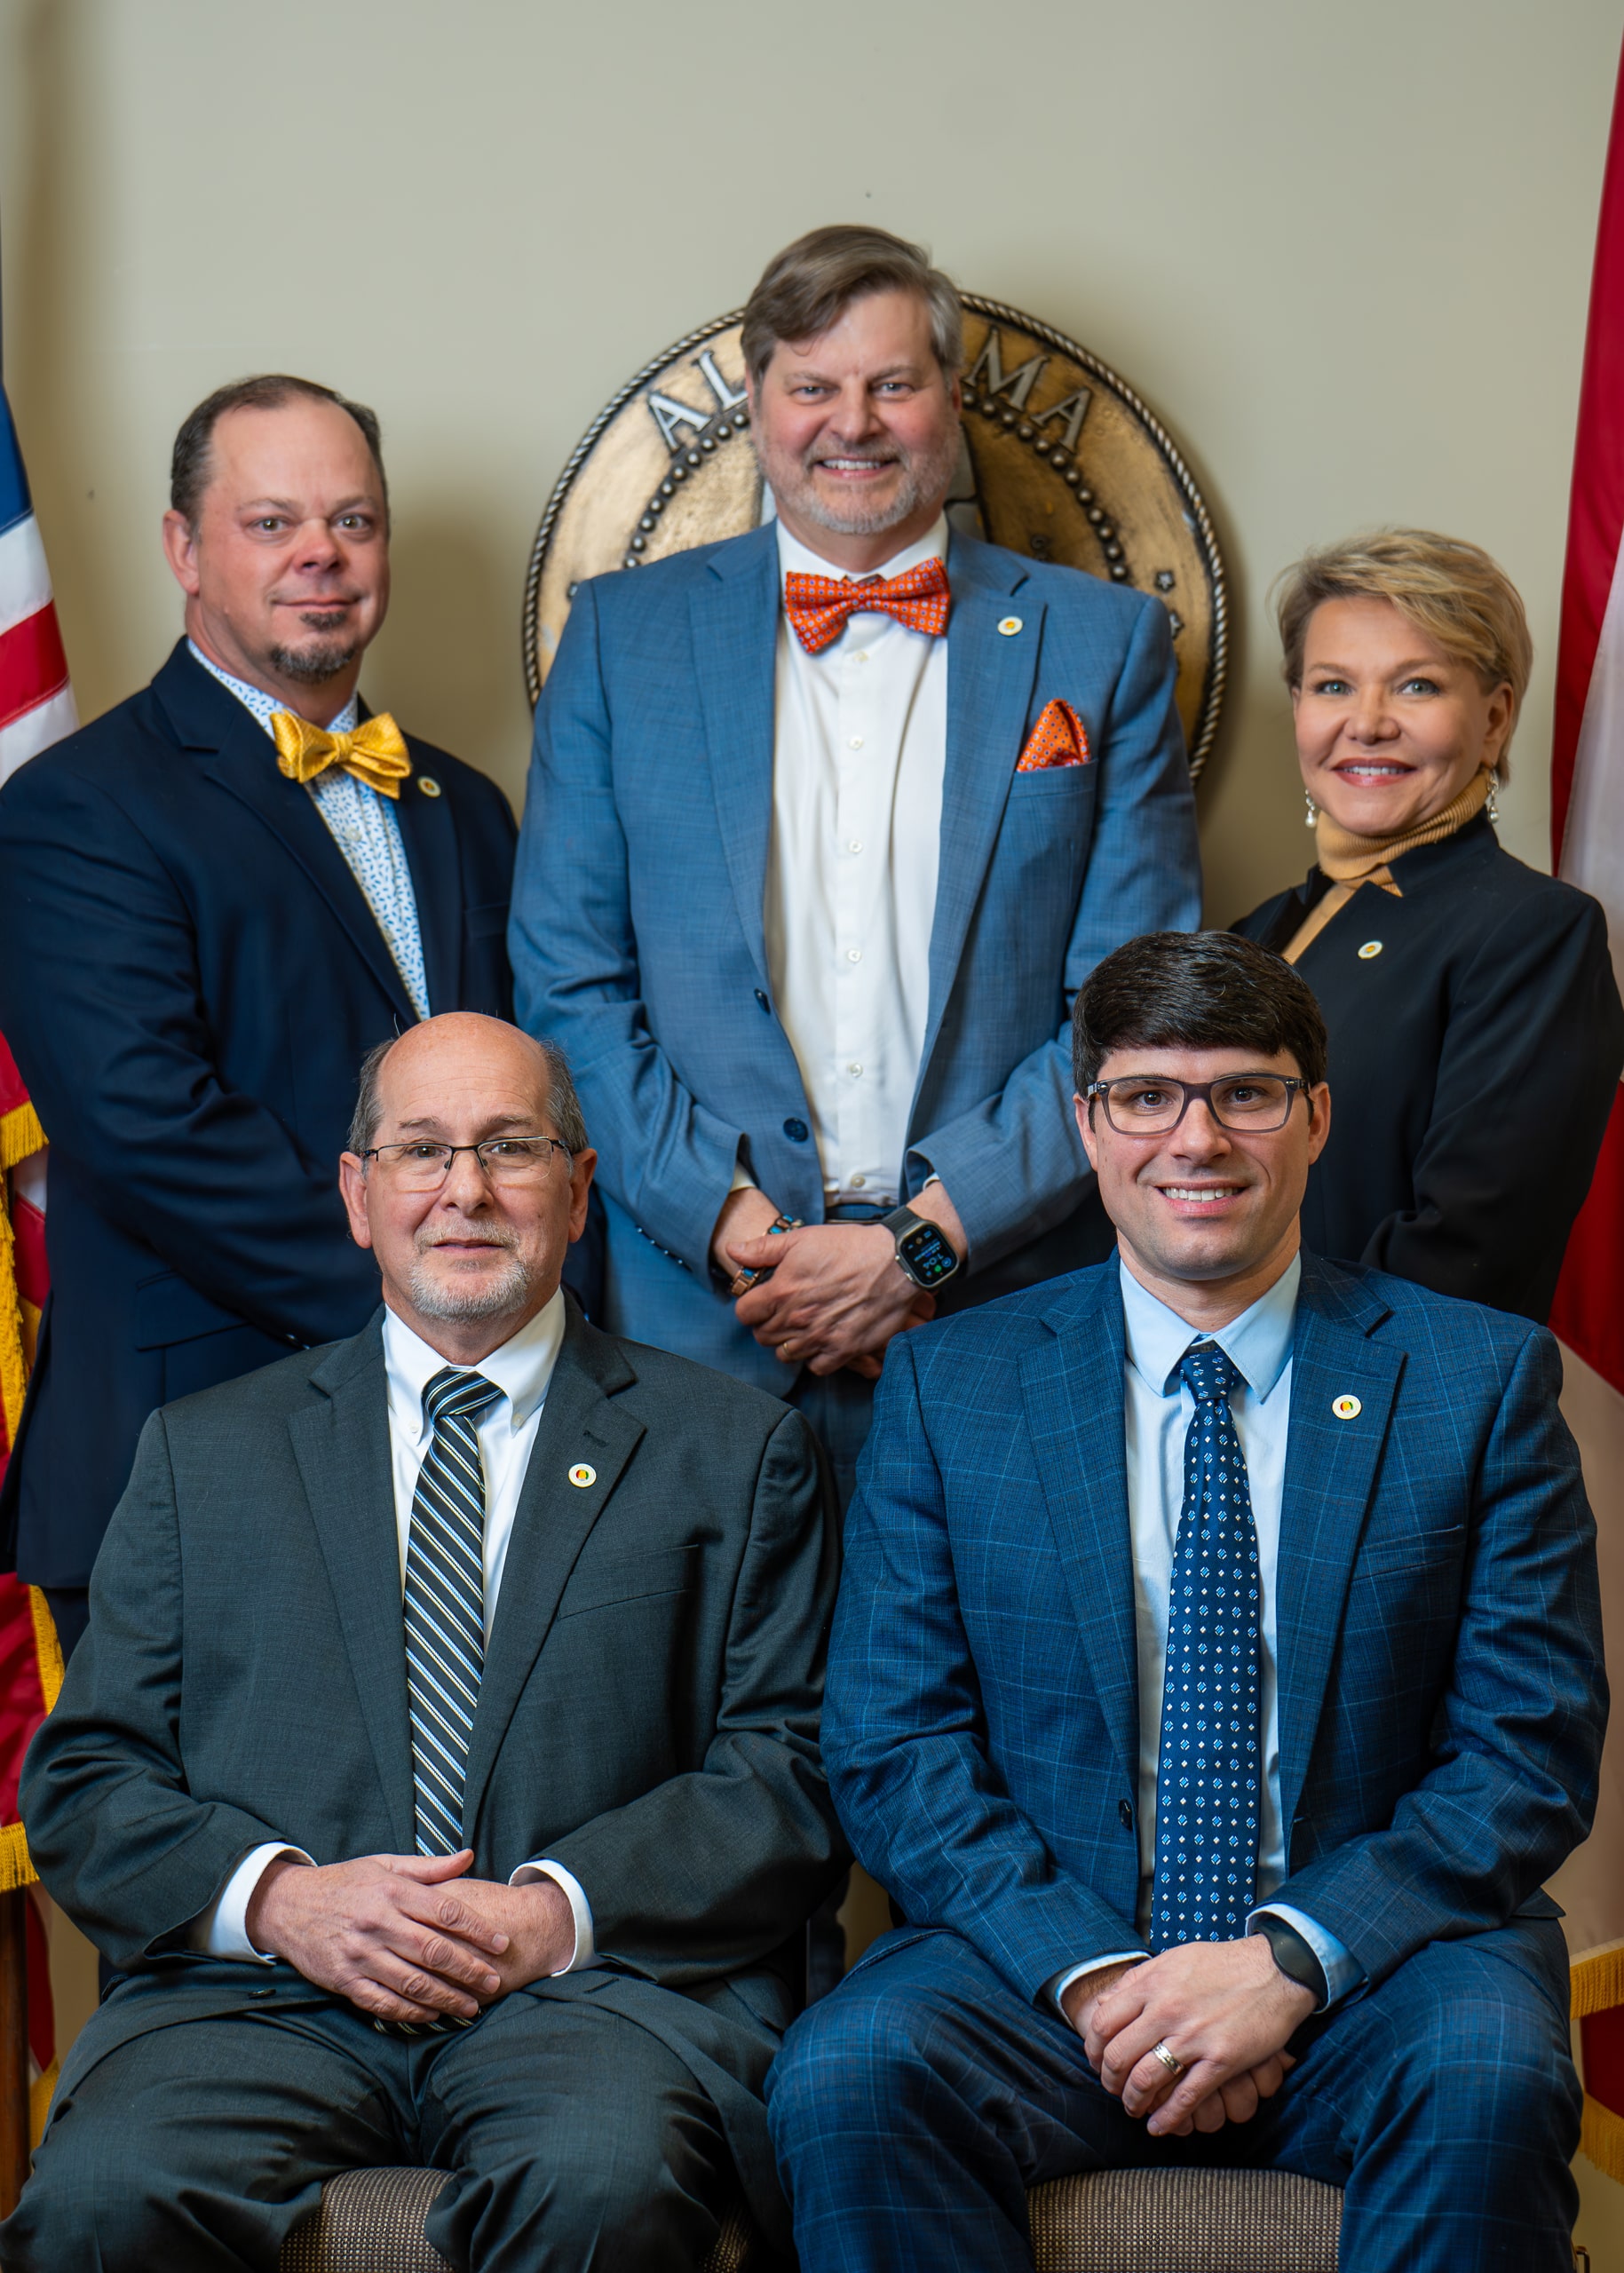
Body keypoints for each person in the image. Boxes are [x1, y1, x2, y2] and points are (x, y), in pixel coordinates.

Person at [764, 929, 1605, 2273]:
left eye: (1244, 1093)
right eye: (1146, 1096)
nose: (1194, 1139)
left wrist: (1284, 1964)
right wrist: (1104, 1983)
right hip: (1048, 1974)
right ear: (1086, 1124)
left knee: (1490, 2070)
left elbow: (1525, 1753)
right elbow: (894, 1746)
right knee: (850, 2070)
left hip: (1374, 1970)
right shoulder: (951, 1388)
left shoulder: (1477, 1379)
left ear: (1315, 1117)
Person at [3, 1012, 843, 2273]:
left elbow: (792, 1771)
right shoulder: (204, 1452)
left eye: (510, 1147)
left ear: (577, 1189)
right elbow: (84, 1783)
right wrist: (282, 1903)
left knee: (604, 2187)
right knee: (98, 2202)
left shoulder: (732, 1451)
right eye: (420, 1151)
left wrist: (547, 1914)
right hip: (256, 2005)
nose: (465, 1190)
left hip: (593, 2000)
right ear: (357, 1194)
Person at [511, 224, 1200, 1505]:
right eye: (813, 386)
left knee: (1002, 1702)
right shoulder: (620, 639)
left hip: (995, 1304)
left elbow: (1132, 1010)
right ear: (760, 406)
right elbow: (568, 986)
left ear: (949, 400)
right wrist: (749, 1241)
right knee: (701, 1707)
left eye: (893, 383)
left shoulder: (1102, 647)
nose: (855, 423)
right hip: (700, 1320)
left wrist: (920, 1250)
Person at [0, 374, 520, 1656]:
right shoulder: (73, 808)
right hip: (192, 1445)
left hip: (457, 1444)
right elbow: (148, 1127)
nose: (321, 559)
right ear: (183, 547)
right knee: (225, 1863)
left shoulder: (467, 805)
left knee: (438, 1856)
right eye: (272, 522)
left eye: (352, 521)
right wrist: (447, 1307)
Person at [1232, 527, 1624, 1322]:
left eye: (1415, 686)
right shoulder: (1256, 934)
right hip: (1210, 1405)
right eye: (1332, 686)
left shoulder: (1537, 933)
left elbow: (1466, 1252)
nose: (1366, 724)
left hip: (1377, 1414)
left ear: (1492, 719)